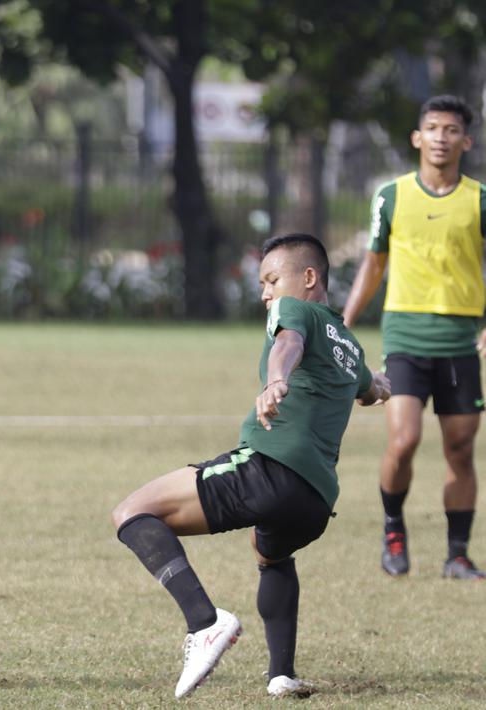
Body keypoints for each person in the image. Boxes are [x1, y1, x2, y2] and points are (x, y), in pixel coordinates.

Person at [111, 233, 390, 699]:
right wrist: (382, 382)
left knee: (132, 513)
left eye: (271, 280)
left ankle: (205, 623)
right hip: (315, 502)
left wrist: (276, 379)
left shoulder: (294, 310)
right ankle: (281, 675)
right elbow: (370, 387)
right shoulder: (348, 344)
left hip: (271, 469)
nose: (265, 293)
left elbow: (288, 344)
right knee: (271, 553)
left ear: (307, 278)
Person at [342, 94, 486, 580]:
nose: (440, 138)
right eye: (432, 128)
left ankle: (458, 554)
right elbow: (374, 263)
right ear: (417, 137)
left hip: (461, 339)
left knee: (461, 448)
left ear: (465, 140)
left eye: (451, 130)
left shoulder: (480, 200)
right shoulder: (392, 195)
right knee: (403, 441)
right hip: (404, 334)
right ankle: (394, 531)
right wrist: (343, 321)